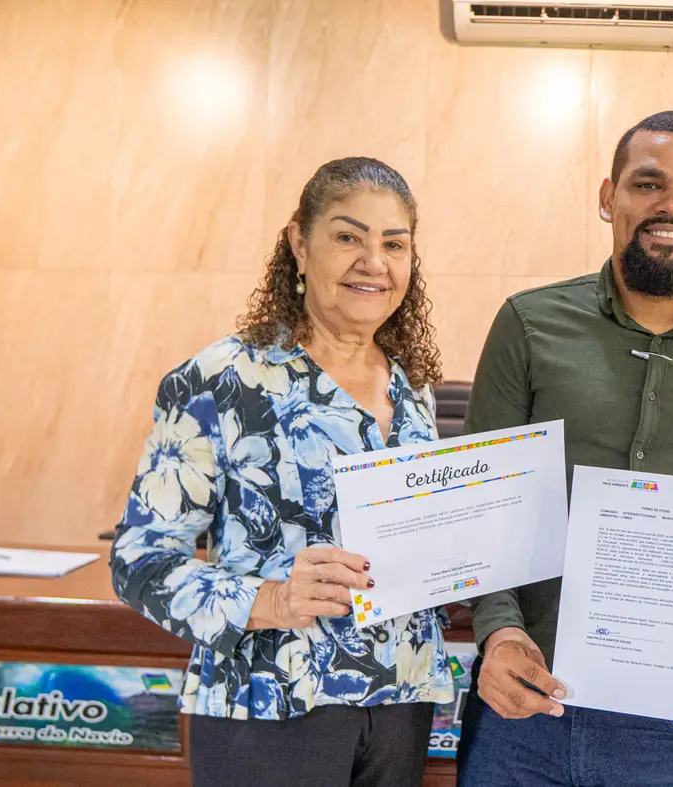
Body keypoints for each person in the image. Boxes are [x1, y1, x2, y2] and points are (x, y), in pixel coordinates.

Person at [455, 111, 673, 787]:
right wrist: (498, 630)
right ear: (609, 197)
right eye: (648, 183)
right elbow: (482, 499)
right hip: (524, 702)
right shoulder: (528, 324)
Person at [109, 157, 455, 787]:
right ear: (299, 242)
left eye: (394, 244)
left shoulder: (412, 388)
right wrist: (271, 599)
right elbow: (139, 562)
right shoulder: (221, 380)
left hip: (401, 703)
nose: (374, 262)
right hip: (268, 705)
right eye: (348, 237)